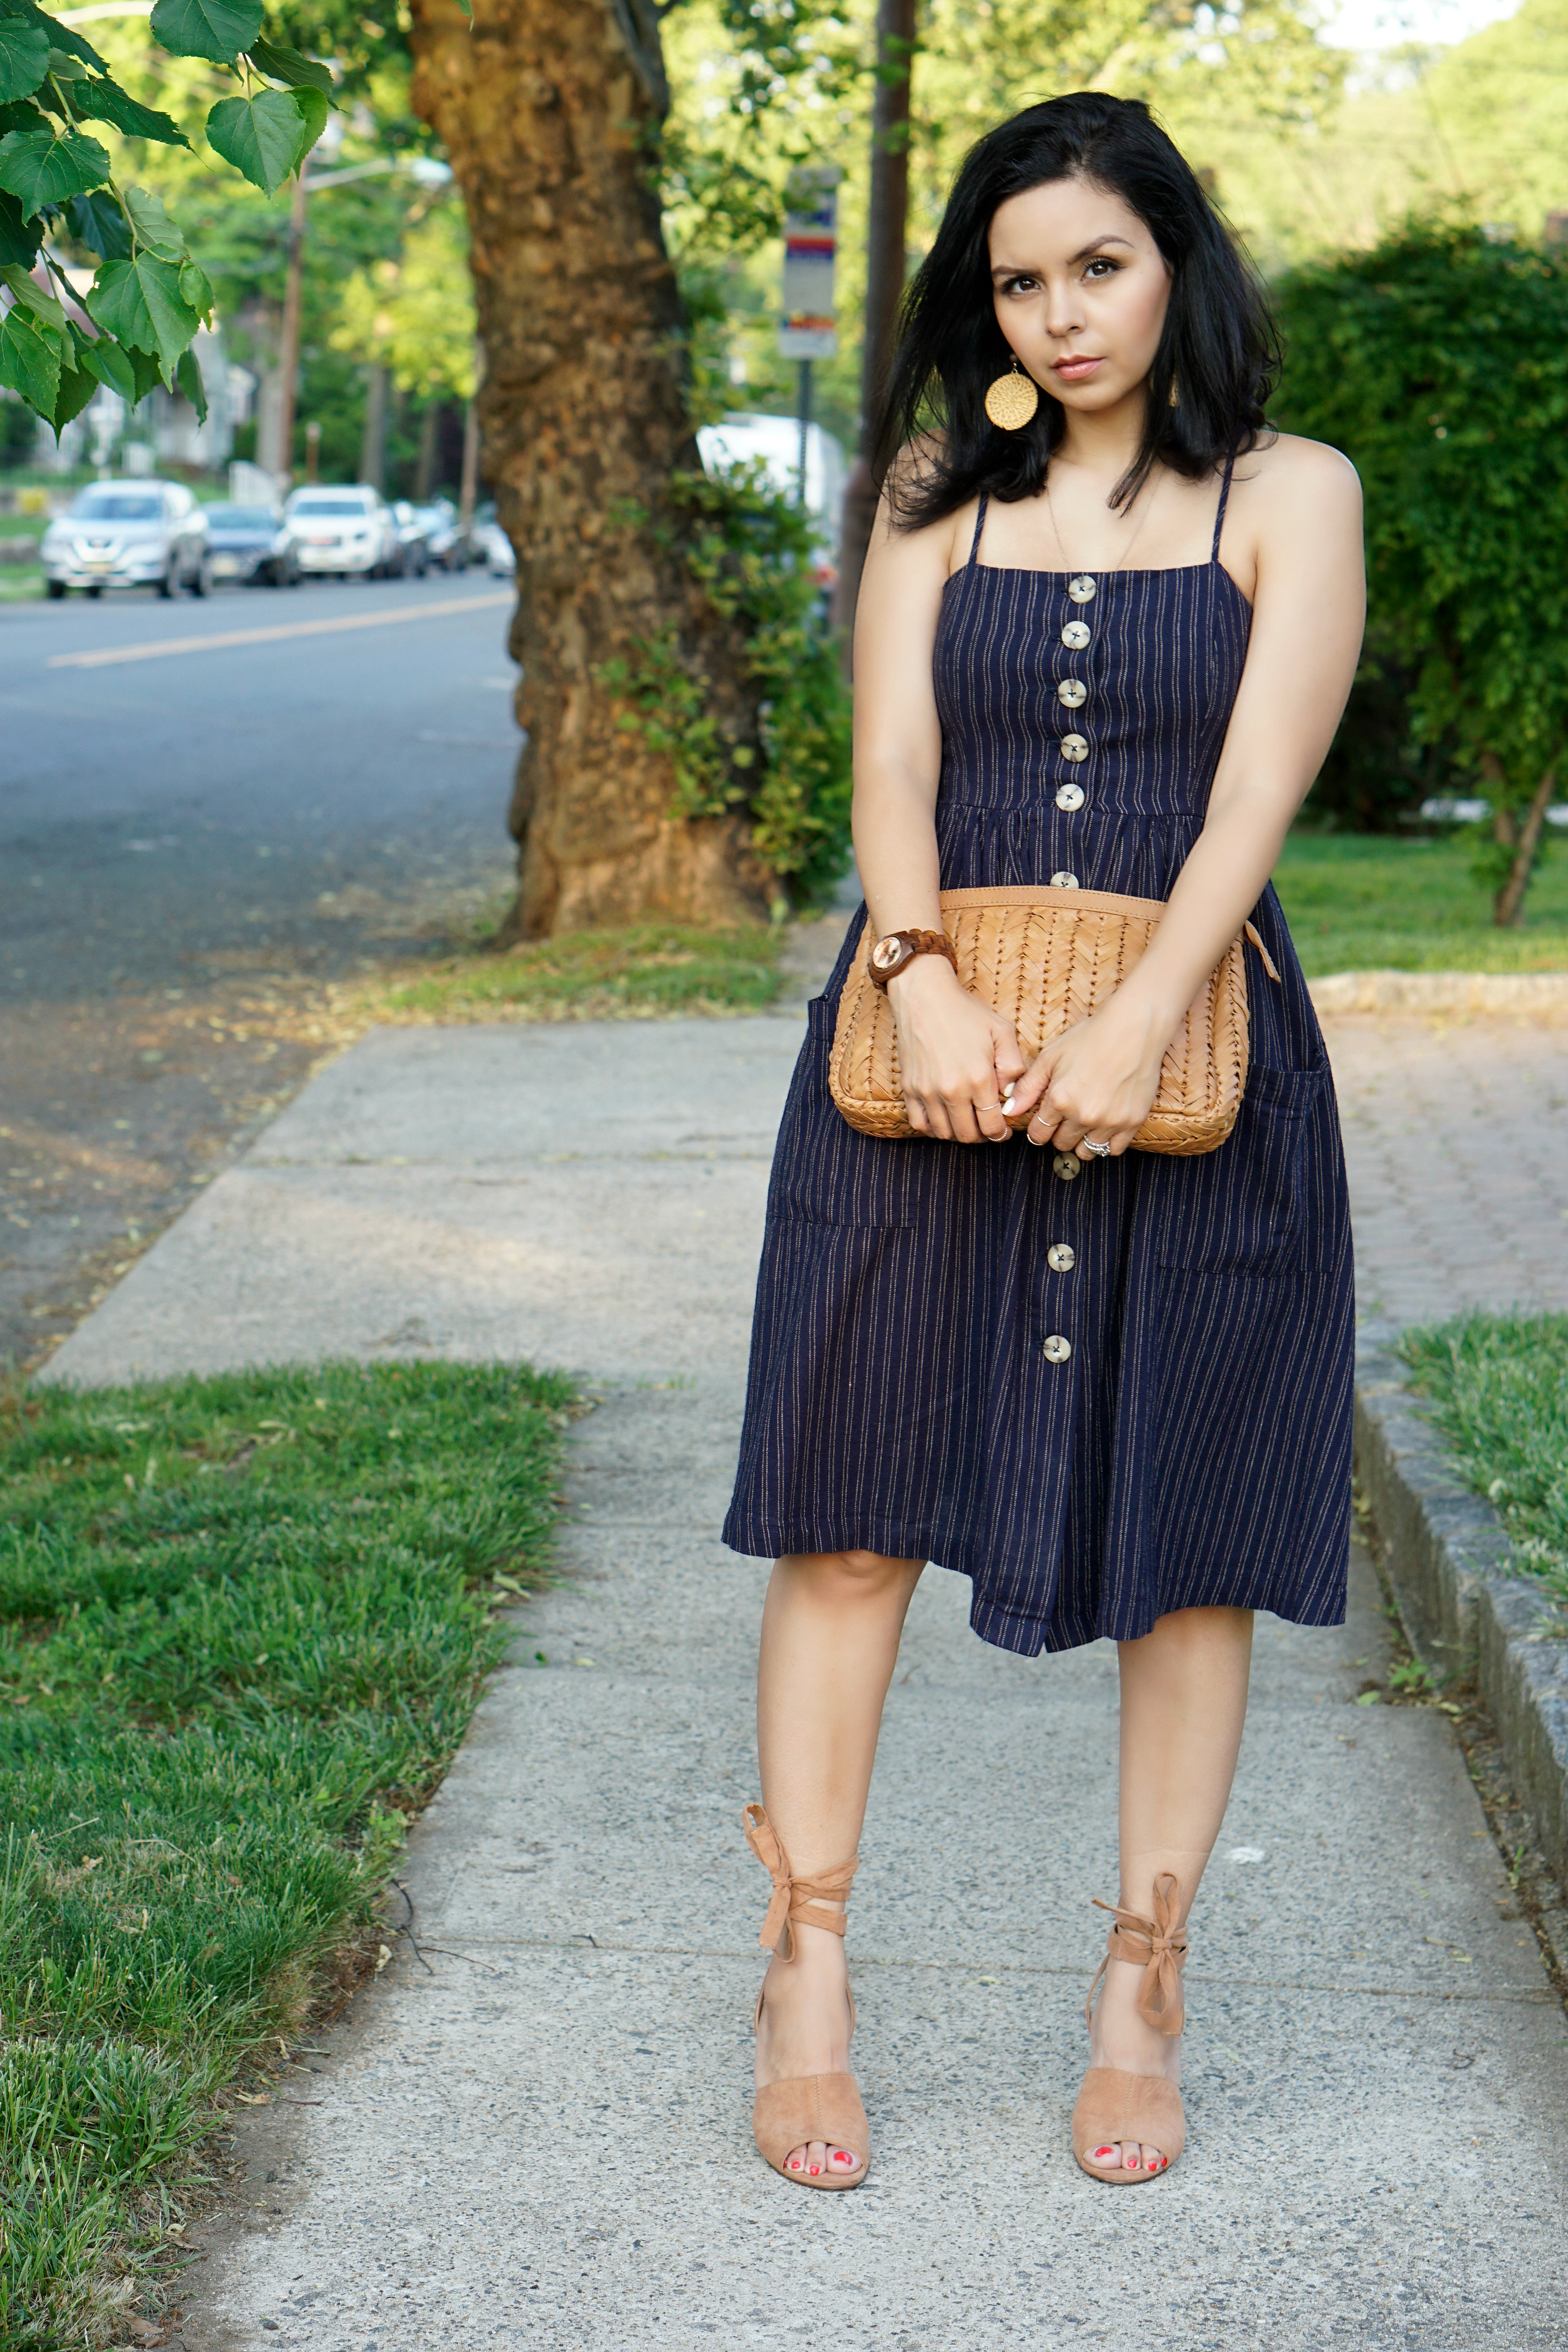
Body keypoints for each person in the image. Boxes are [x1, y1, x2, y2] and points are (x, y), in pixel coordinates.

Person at [723, 91, 1364, 2190]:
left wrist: (1144, 1013)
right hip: (924, 1063)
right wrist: (914, 973)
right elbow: (890, 753)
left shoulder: (1290, 494)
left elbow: (1257, 793)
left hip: (1189, 1083)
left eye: (1097, 264)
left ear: (1174, 258)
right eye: (1017, 279)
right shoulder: (932, 488)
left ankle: (1142, 1980)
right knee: (846, 1512)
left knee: (1183, 1559)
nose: (1060, 312)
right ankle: (804, 1966)